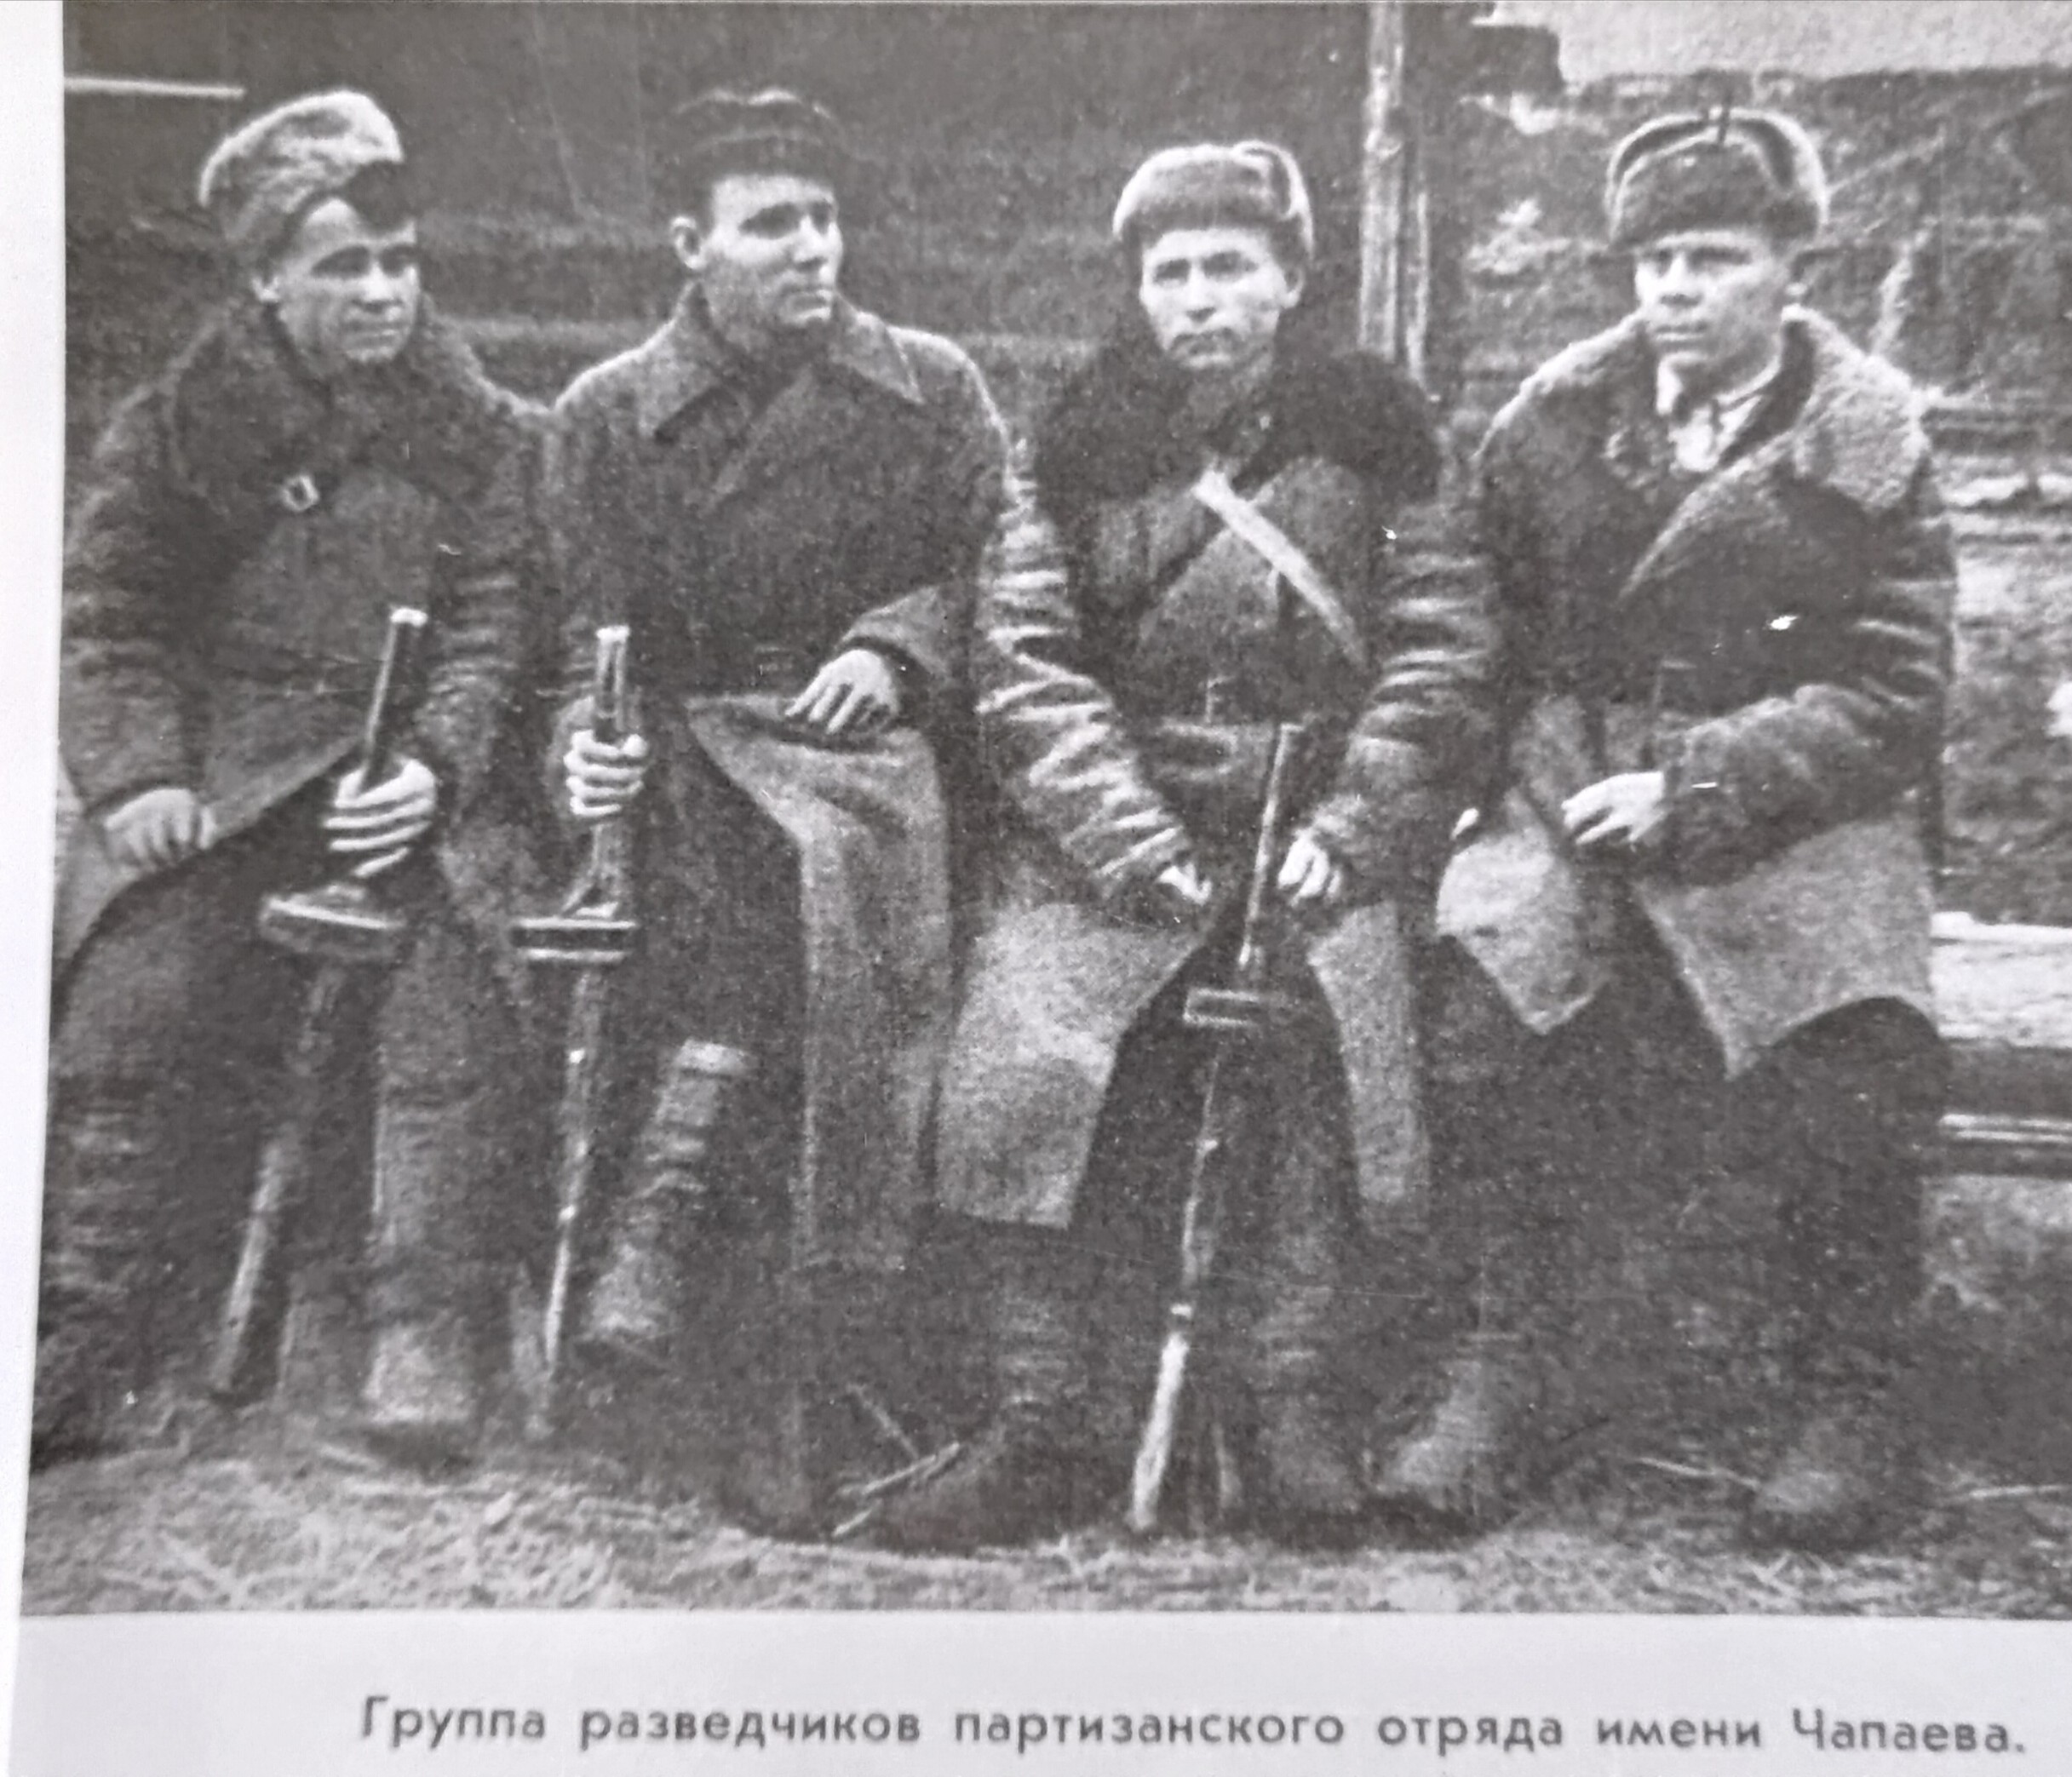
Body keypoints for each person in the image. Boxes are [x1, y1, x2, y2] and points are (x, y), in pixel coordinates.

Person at [878, 141, 1498, 1551]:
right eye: (1171, 273)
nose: (1200, 298)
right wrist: (1127, 839)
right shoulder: (1071, 446)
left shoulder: (1386, 440)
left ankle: (1287, 1402)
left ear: (1292, 278)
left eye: (1231, 266)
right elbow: (1026, 662)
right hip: (1117, 830)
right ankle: (1044, 1416)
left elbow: (1443, 651)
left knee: (1323, 1050)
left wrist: (1356, 827)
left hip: (1314, 822)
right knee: (1027, 1046)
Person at [1389, 107, 1955, 1551]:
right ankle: (1518, 1366)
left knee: (1844, 1040)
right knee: (1491, 1007)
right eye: (1654, 262)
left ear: (1791, 268)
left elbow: (1897, 691)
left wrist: (1698, 788)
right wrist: (1464, 796)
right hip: (1573, 784)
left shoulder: (1866, 442)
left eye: (1715, 257)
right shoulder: (1547, 431)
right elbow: (1479, 638)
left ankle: (1853, 1395)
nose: (1676, 291)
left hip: (1793, 807)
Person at [43, 91, 548, 1470]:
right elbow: (112, 619)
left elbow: (496, 627)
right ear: (267, 278)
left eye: (400, 261)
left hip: (402, 776)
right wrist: (141, 778)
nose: (383, 292)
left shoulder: (485, 433)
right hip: (231, 776)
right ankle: (81, 1325)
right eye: (343, 267)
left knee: (452, 978)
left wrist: (437, 766)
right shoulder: (179, 428)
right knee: (140, 986)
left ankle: (419, 1322)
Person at [542, 88, 1013, 1539]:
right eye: (770, 226)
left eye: (824, 218)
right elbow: (576, 639)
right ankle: (726, 1354)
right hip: (685, 764)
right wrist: (584, 748)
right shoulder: (607, 416)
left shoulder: (932, 389)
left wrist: (896, 651)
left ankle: (739, 1321)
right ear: (690, 246)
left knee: (822, 951)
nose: (812, 248)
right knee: (749, 932)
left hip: (867, 766)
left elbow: (1001, 579)